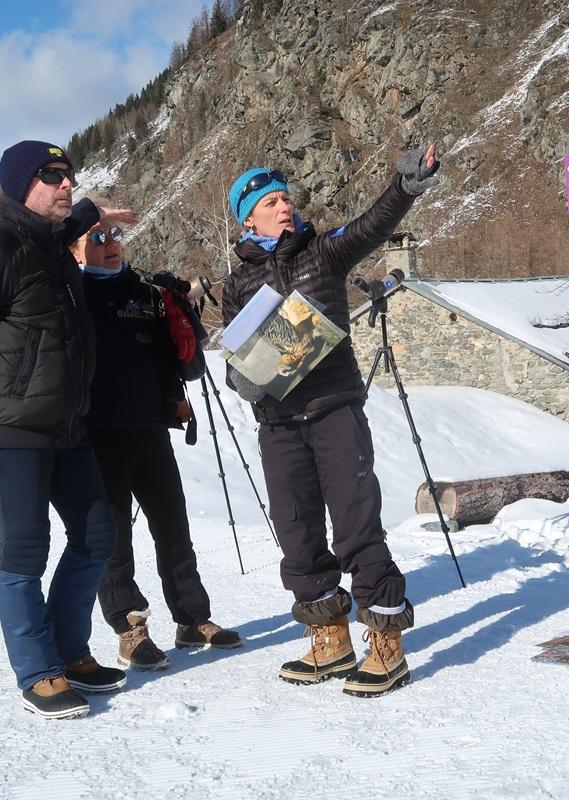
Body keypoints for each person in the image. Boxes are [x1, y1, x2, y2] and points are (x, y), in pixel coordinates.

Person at [0, 140, 134, 719]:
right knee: (25, 551)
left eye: (69, 174)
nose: (66, 184)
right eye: (52, 175)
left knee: (96, 538)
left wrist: (97, 212)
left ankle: (69, 652)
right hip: (12, 427)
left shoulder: (53, 247)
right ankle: (37, 671)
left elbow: (70, 220)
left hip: (66, 424)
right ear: (20, 186)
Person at [218, 145, 440, 698]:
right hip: (278, 423)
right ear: (247, 217)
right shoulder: (236, 284)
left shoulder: (323, 251)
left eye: (285, 197)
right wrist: (242, 378)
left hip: (334, 410)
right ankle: (331, 639)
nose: (284, 206)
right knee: (296, 532)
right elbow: (237, 353)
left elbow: (370, 227)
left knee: (356, 524)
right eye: (270, 202)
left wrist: (404, 188)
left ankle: (385, 642)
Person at [71, 215, 243, 671]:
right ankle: (129, 627)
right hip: (98, 432)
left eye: (115, 236)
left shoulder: (148, 293)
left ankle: (192, 619)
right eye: (97, 237)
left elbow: (190, 366)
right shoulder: (71, 293)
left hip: (151, 427)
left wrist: (183, 314)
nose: (110, 244)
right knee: (114, 537)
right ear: (74, 250)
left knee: (173, 528)